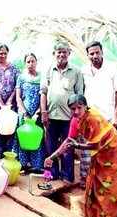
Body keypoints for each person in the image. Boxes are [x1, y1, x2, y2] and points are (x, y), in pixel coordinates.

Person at [44, 94, 117, 217]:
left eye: (79, 107)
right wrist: (52, 157)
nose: (76, 111)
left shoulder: (93, 118)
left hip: (114, 151)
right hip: (100, 153)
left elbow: (95, 144)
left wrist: (77, 145)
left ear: (85, 106)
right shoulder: (75, 121)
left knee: (110, 186)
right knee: (97, 182)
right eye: (72, 108)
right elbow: (68, 142)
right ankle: (96, 216)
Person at [40, 42, 84, 183]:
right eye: (58, 52)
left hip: (68, 117)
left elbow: (79, 94)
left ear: (68, 54)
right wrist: (44, 112)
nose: (61, 55)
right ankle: (52, 174)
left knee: (68, 147)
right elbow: (43, 93)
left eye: (64, 52)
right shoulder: (48, 70)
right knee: (50, 146)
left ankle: (67, 176)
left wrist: (76, 115)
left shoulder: (76, 72)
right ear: (54, 54)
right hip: (51, 116)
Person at [81, 41, 117, 125]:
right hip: (91, 117)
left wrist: (116, 116)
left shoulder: (113, 67)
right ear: (87, 55)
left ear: (102, 52)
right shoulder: (84, 70)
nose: (95, 56)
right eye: (91, 54)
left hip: (109, 117)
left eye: (97, 52)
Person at [13, 53, 44, 172]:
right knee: (23, 137)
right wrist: (24, 112)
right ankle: (23, 164)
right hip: (24, 113)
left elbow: (44, 96)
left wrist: (38, 112)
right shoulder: (21, 78)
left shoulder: (42, 77)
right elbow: (18, 97)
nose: (31, 64)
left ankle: (36, 165)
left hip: (37, 114)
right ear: (25, 63)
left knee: (37, 138)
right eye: (28, 62)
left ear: (36, 62)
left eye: (33, 61)